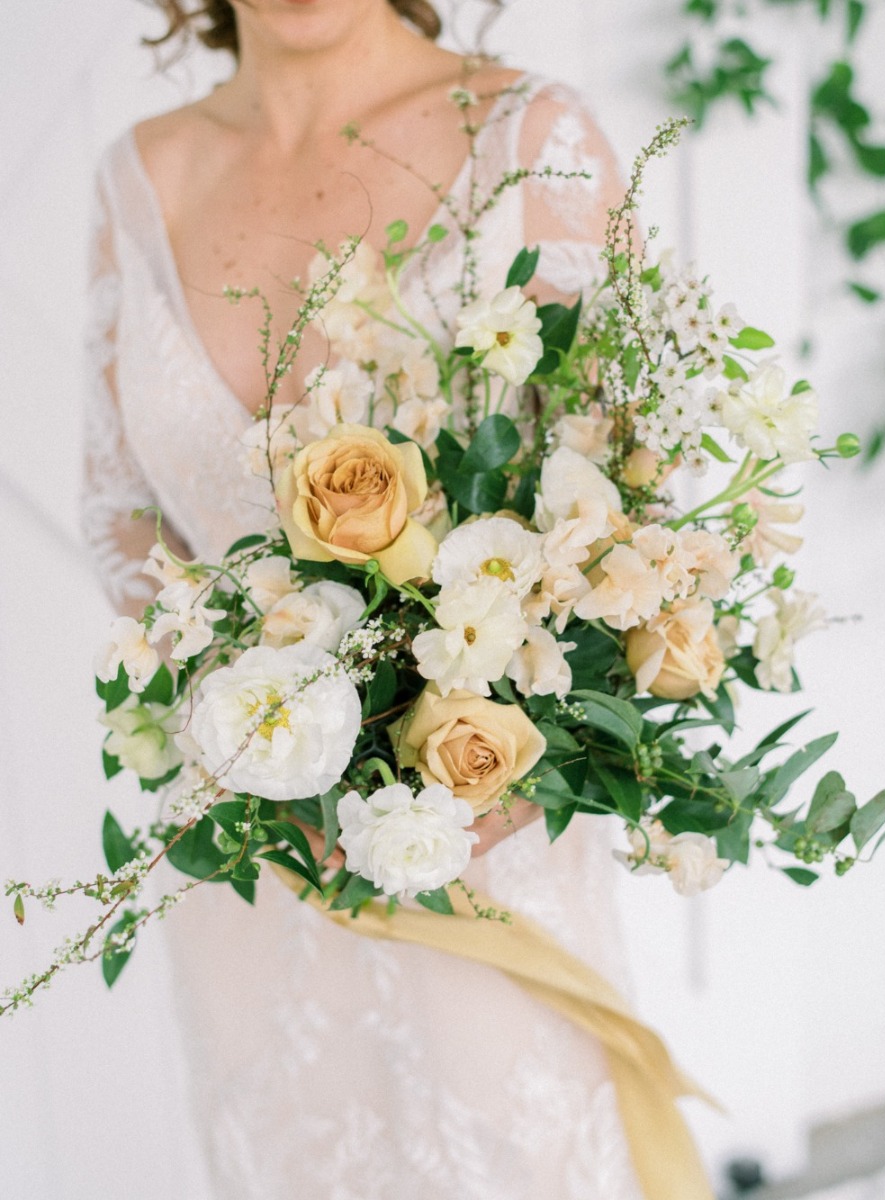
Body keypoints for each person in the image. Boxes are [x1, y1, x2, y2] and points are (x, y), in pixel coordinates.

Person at [82, 1, 645, 1195]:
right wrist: (223, 719)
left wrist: (477, 759)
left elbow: (634, 498)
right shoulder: (141, 174)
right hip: (249, 849)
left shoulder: (534, 136)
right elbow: (120, 508)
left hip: (485, 835)